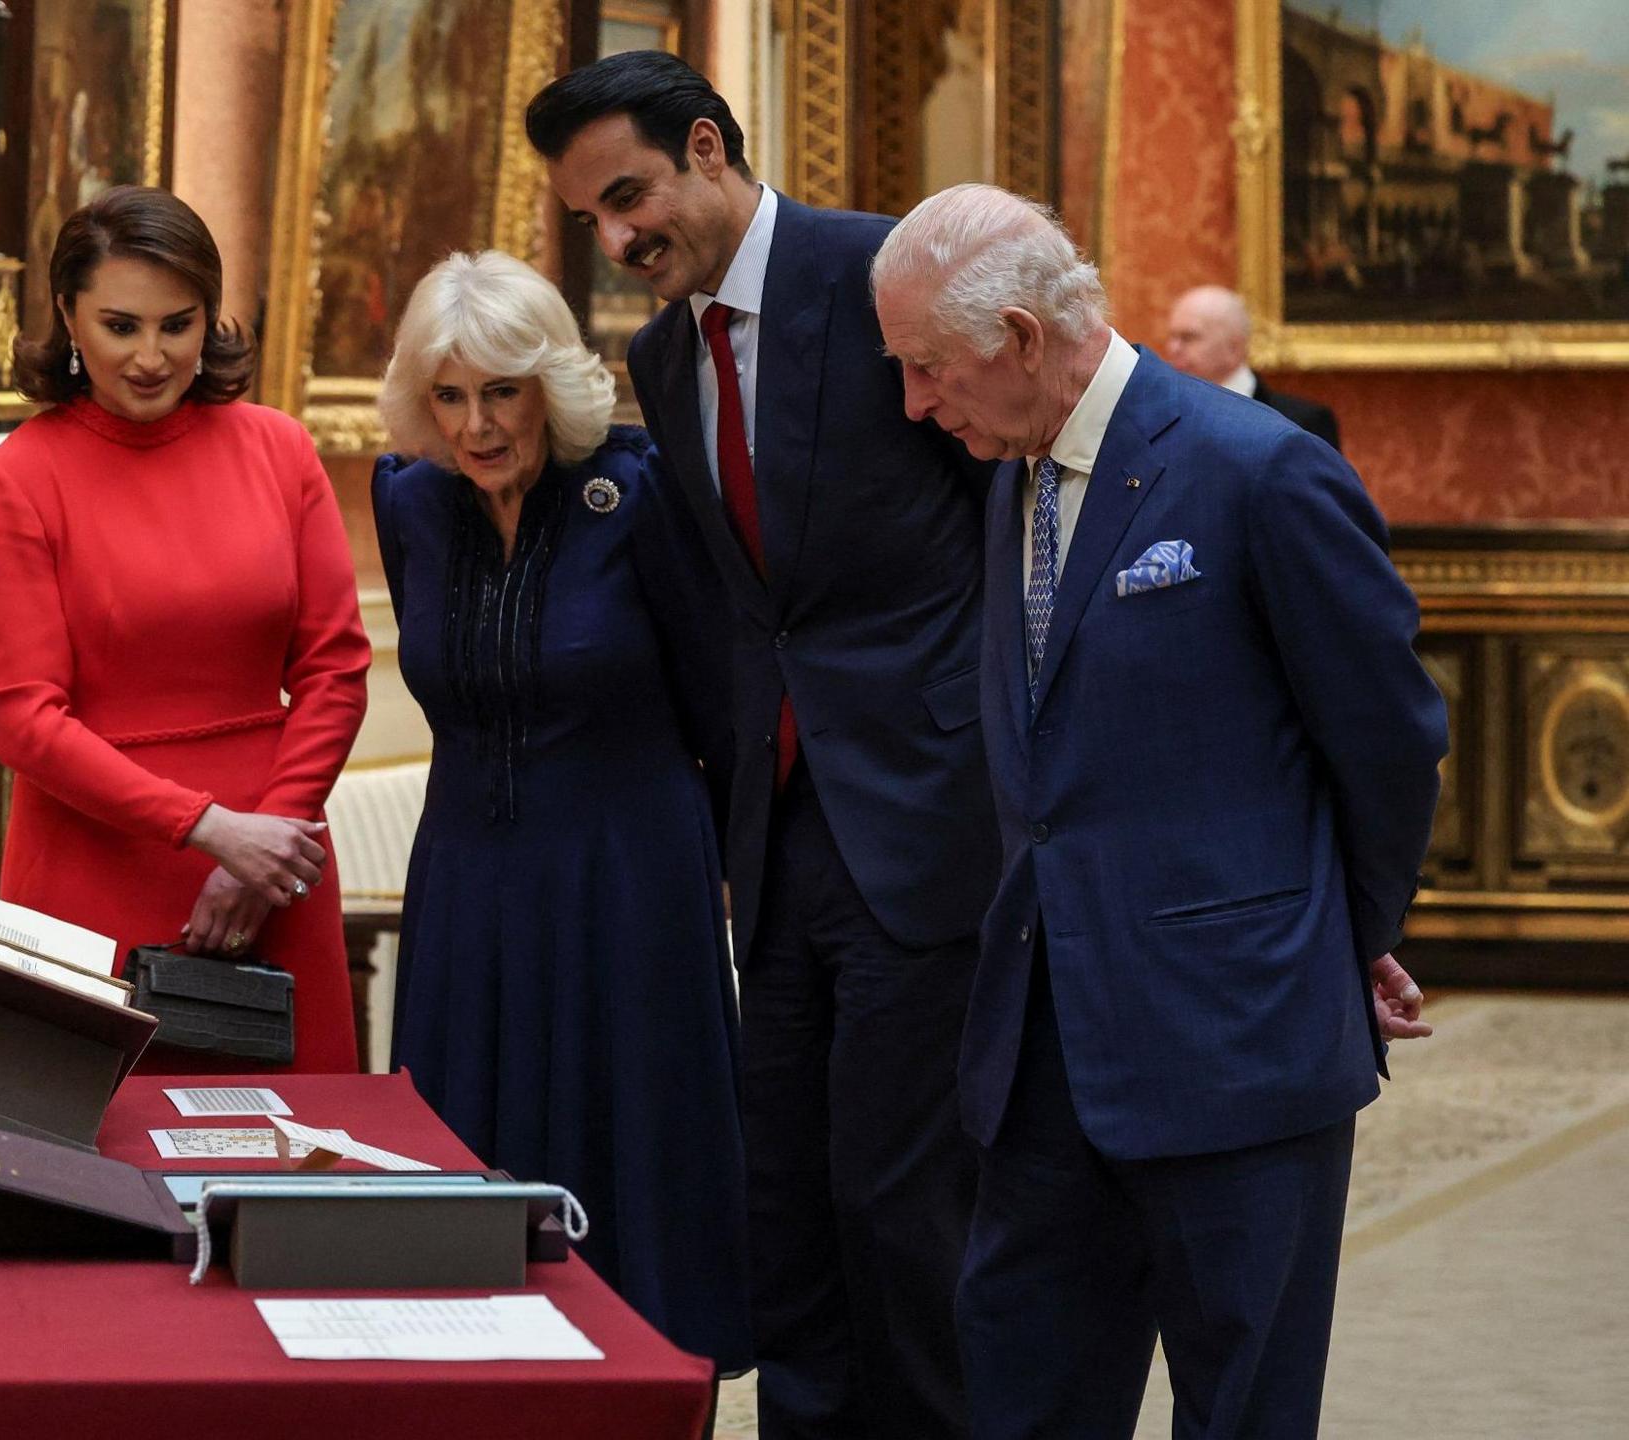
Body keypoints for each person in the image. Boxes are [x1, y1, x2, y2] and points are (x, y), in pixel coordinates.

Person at [871, 183, 1444, 1439]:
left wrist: (1334, 941)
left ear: (1020, 337)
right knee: (1020, 1395)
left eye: (925, 367)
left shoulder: (1262, 473)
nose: (915, 403)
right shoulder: (1007, 477)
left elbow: (1390, 743)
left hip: (1237, 1051)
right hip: (1040, 1054)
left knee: (1238, 1410)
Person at [527, 51, 994, 1437]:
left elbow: (1010, 504)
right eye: (592, 222)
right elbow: (748, 612)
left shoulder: (886, 278)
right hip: (775, 841)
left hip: (928, 821)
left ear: (712, 149)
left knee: (910, 1216)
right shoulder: (662, 358)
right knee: (784, 1204)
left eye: (630, 197)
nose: (616, 243)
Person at [372, 250, 750, 1374]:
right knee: (470, 1159)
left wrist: (731, 861)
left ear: (550, 386)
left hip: (628, 883)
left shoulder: (638, 493)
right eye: (449, 395)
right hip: (468, 887)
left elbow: (718, 694)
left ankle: (643, 1388)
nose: (477, 425)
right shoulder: (409, 505)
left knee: (630, 1159)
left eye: (502, 391)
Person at [0, 185, 369, 1074]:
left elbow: (336, 667)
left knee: (294, 1168)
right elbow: (24, 723)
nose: (151, 356)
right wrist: (213, 831)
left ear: (211, 319)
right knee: (108, 1179)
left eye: (177, 324)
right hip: (94, 867)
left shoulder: (280, 450)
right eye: (120, 326)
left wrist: (269, 843)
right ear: (67, 316)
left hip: (279, 860)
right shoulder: (17, 481)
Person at [1162, 284, 1341, 450]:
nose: (1173, 348)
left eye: (1188, 337)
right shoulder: (1160, 415)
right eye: (1173, 337)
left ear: (1234, 348)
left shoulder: (1302, 422)